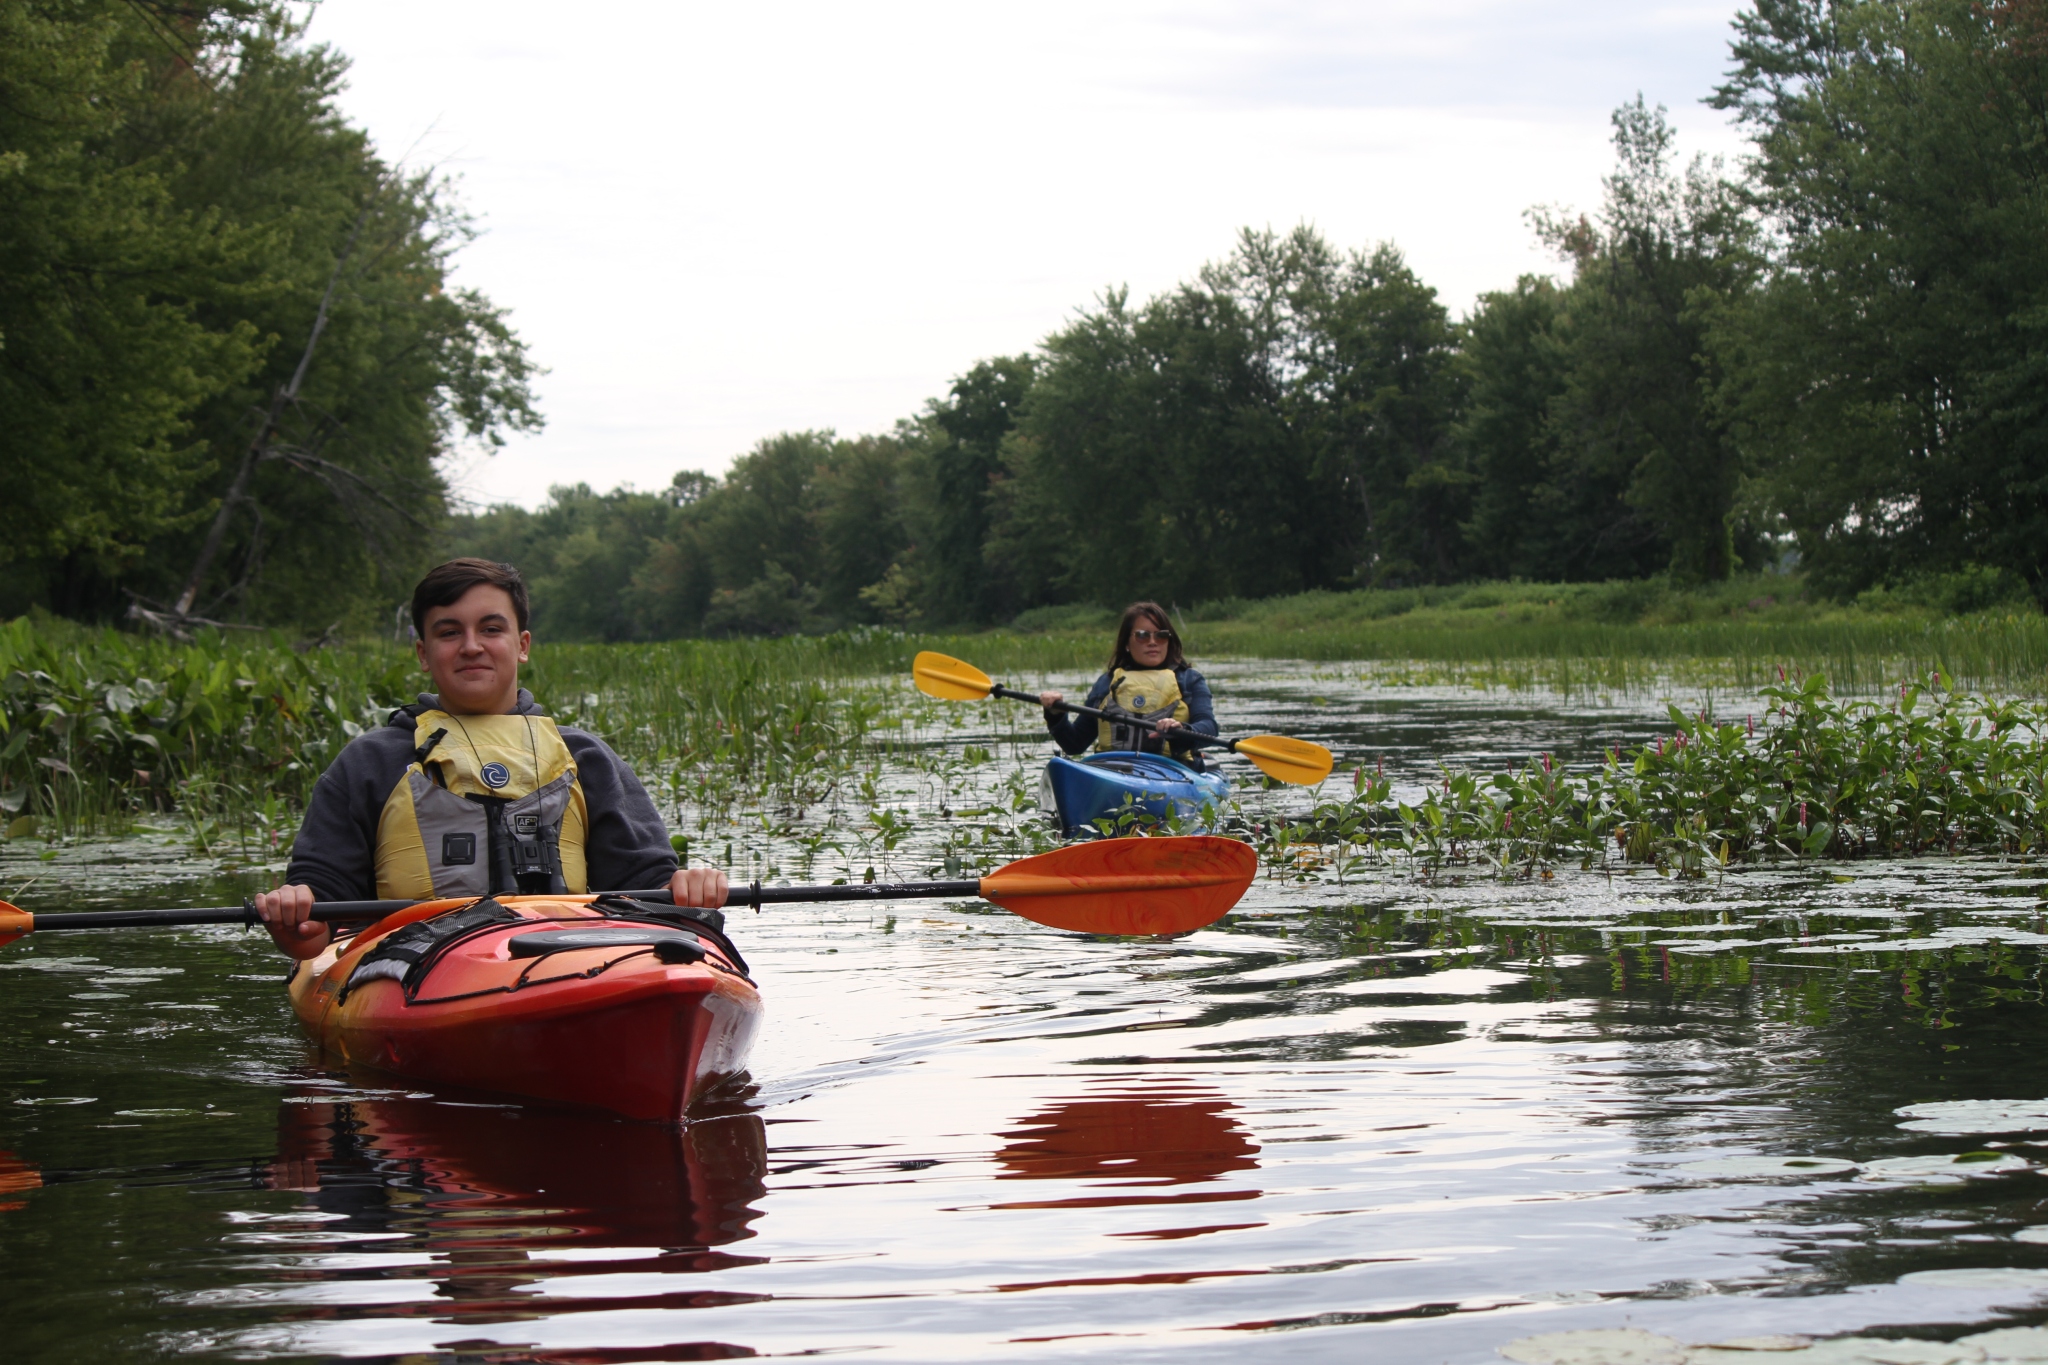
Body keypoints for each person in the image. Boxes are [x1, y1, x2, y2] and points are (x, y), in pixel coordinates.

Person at [255, 558, 728, 959]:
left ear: (521, 645)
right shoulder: (369, 763)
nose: (471, 646)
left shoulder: (585, 757)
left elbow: (646, 888)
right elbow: (319, 913)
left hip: (565, 954)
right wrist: (298, 915)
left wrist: (687, 888)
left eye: (491, 628)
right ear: (423, 653)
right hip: (415, 964)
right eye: (449, 632)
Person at [1039, 601, 1219, 766]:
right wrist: (1055, 715)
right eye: (1142, 635)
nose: (1152, 642)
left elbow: (1209, 728)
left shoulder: (1189, 679)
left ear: (1169, 641)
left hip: (1172, 770)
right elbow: (1075, 744)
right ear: (1126, 643)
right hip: (1113, 769)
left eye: (1161, 635)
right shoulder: (1108, 682)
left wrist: (1181, 730)